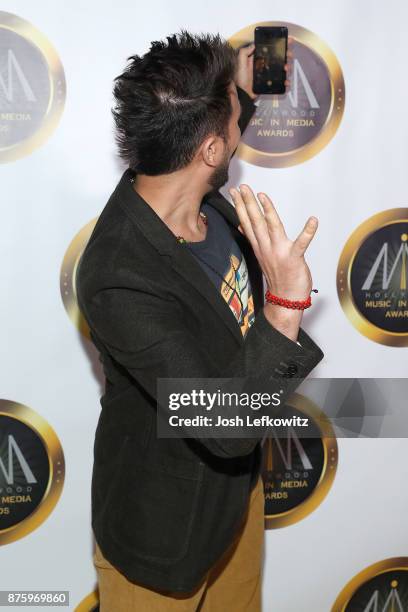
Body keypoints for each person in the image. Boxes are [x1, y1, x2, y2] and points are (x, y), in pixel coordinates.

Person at [75, 30, 324, 611]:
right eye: (237, 116)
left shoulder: (200, 196)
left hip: (237, 501)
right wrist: (285, 303)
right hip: (163, 536)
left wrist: (238, 72)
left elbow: (219, 114)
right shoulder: (118, 273)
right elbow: (224, 424)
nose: (244, 125)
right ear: (213, 149)